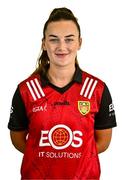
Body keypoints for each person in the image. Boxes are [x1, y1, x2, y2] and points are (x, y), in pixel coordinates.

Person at [8, 7, 117, 180]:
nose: (62, 47)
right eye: (53, 40)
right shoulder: (27, 90)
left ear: (79, 43)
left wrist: (72, 157)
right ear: (44, 43)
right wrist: (47, 155)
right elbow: (18, 139)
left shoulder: (96, 89)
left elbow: (102, 142)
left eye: (69, 39)